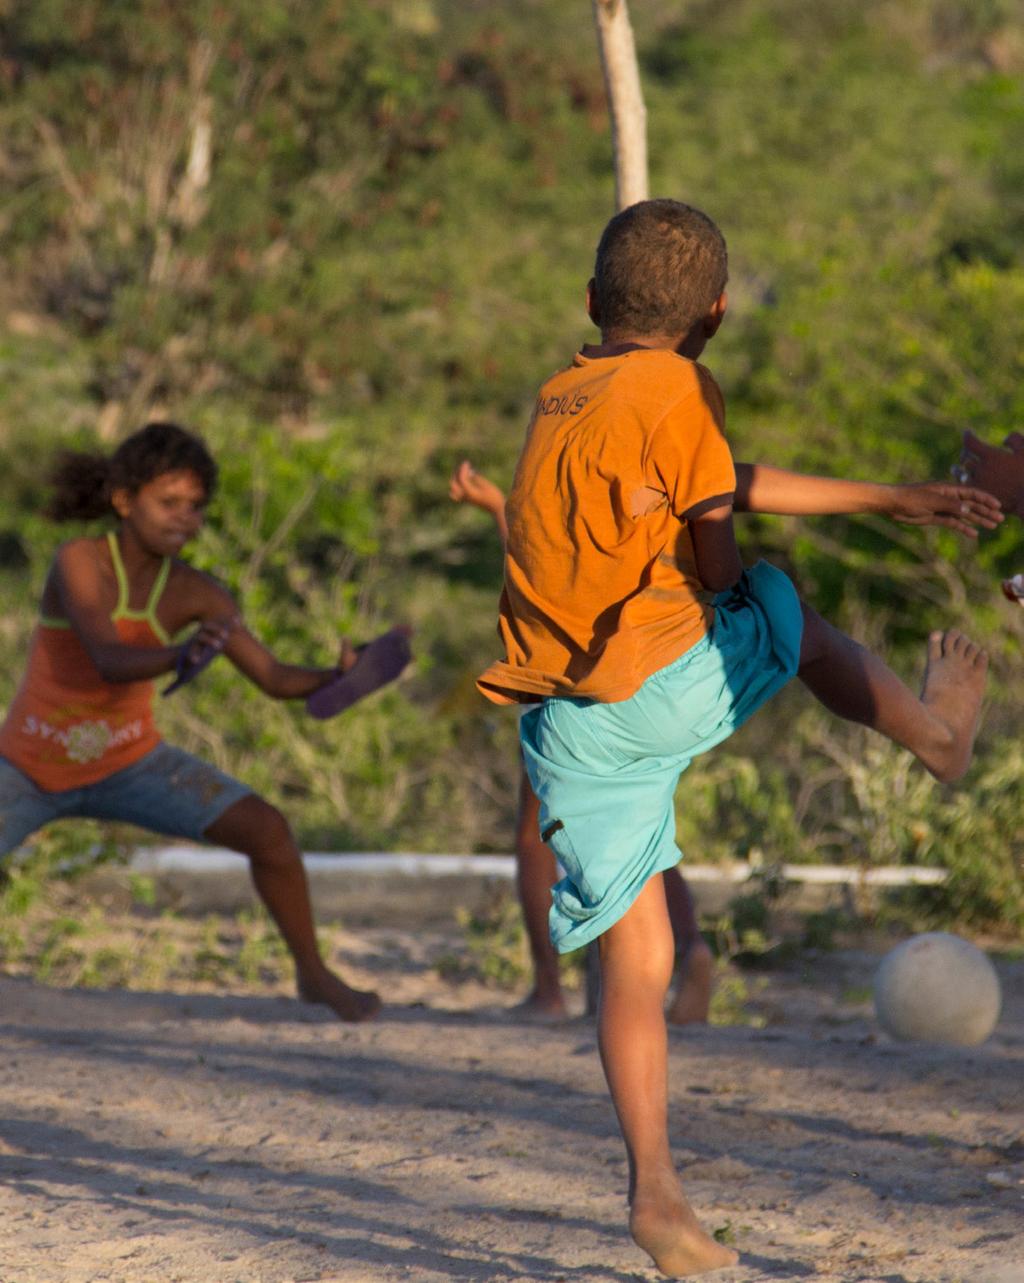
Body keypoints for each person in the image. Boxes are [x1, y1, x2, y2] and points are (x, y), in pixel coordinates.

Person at [475, 200, 999, 1276]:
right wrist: (738, 571)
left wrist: (884, 497)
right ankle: (935, 736)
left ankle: (657, 1195)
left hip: (569, 728)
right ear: (717, 311)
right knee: (775, 596)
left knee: (637, 961)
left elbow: (715, 476)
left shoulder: (562, 392)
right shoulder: (677, 386)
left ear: (589, 304)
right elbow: (717, 543)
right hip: (666, 686)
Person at [0, 421, 384, 1022]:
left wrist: (338, 676)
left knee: (269, 831)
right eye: (168, 502)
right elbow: (108, 656)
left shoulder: (197, 593)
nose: (184, 518)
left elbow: (276, 678)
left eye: (196, 506)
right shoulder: (78, 561)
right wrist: (182, 655)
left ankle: (314, 976)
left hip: (130, 761)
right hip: (29, 766)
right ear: (125, 502)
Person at [450, 461, 713, 1024]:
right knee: (645, 834)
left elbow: (535, 575)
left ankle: (549, 988)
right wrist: (498, 506)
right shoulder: (649, 517)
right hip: (652, 685)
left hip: (573, 688)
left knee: (535, 834)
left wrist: (502, 509)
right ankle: (692, 953)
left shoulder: (578, 501)